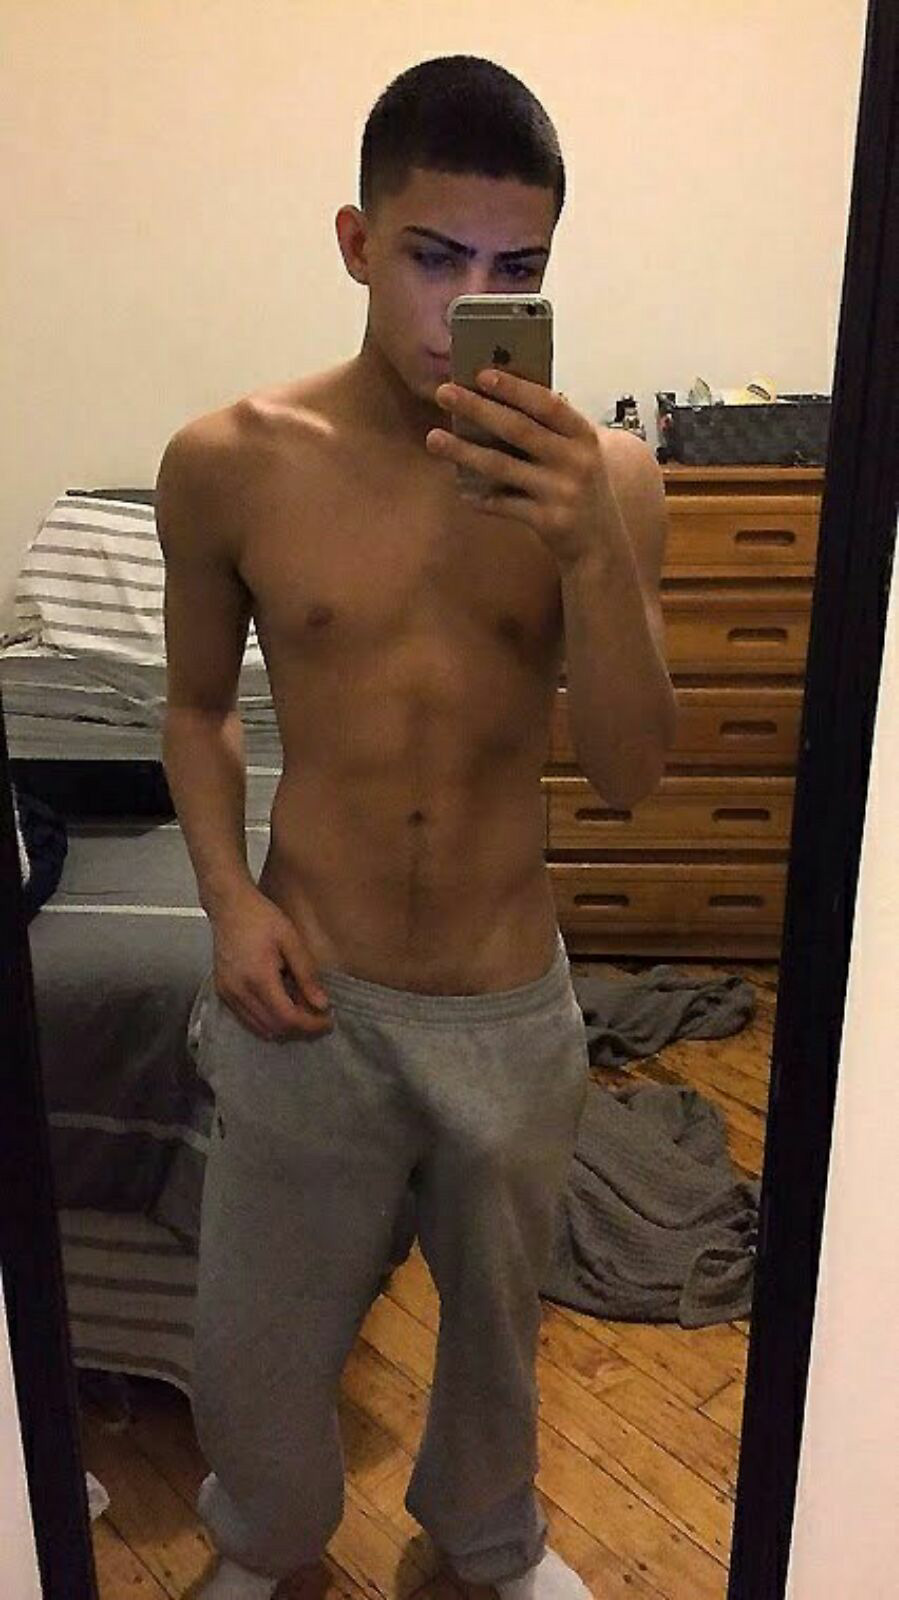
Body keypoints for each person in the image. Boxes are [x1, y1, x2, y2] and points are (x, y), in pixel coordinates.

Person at [158, 54, 676, 1600]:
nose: (469, 306)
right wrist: (227, 903)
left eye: (517, 270)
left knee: (500, 1347)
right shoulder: (231, 462)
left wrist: (590, 550)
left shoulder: (611, 482)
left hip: (508, 1001)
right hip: (309, 988)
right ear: (356, 242)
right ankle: (266, 1541)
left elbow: (633, 773)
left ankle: (487, 1544)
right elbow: (195, 709)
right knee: (255, 1341)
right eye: (434, 258)